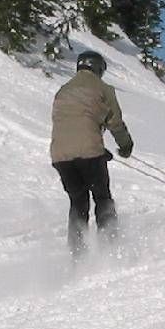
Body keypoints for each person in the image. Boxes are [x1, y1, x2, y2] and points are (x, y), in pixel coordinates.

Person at [50, 51, 134, 256]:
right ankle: (110, 249)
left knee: (78, 202)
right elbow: (114, 122)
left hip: (60, 156)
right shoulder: (103, 88)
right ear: (99, 68)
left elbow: (70, 122)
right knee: (102, 198)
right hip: (90, 152)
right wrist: (125, 146)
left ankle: (77, 255)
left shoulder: (63, 90)